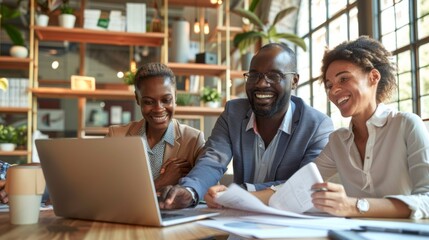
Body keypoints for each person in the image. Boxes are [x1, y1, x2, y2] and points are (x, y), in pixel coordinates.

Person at [207, 36, 429, 219]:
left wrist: (355, 206)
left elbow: (427, 200)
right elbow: (295, 187)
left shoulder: (407, 125)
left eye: (343, 79)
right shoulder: (339, 141)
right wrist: (232, 196)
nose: (334, 91)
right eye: (330, 85)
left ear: (373, 77)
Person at [159, 43, 334, 209]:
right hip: (241, 223)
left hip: (289, 226)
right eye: (254, 75)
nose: (261, 84)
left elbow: (303, 185)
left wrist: (239, 193)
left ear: (294, 81)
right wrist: (190, 191)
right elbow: (212, 160)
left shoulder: (317, 126)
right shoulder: (233, 113)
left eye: (273, 76)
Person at [107, 63, 205, 190]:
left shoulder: (193, 140)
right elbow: (105, 190)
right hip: (127, 210)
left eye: (166, 100)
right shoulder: (117, 137)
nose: (159, 109)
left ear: (175, 96)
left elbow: (211, 193)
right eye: (148, 102)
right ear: (137, 99)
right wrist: (161, 182)